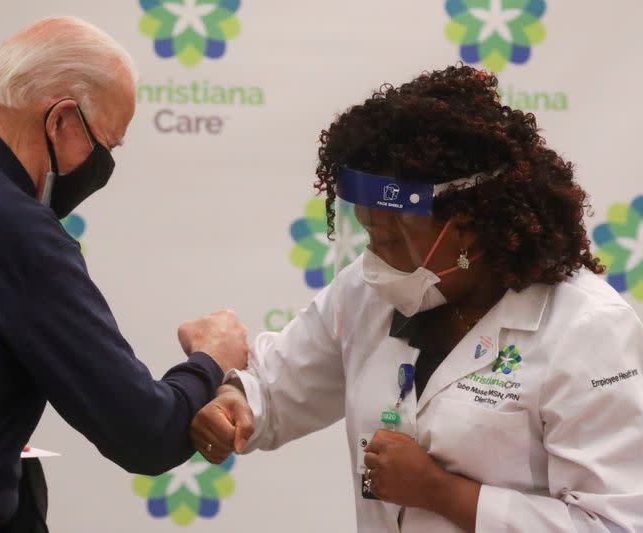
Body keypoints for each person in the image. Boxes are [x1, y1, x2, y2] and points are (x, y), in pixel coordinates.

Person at [191, 65, 643, 532]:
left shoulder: (587, 329)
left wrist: (444, 494)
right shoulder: (367, 291)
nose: (376, 258)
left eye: (392, 237)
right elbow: (277, 385)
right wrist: (235, 403)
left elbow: (615, 523)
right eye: (369, 233)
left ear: (469, 226)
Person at [0, 16, 248, 533]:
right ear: (61, 121)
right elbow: (144, 432)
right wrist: (210, 358)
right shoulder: (12, 226)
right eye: (106, 147)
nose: (102, 168)